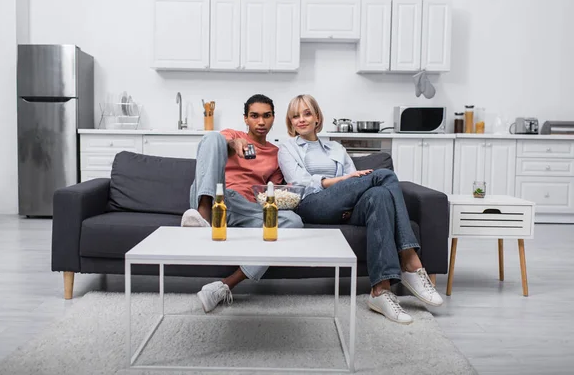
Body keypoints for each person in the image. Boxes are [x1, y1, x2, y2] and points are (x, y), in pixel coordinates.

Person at [277, 94, 443, 324]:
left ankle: (380, 291)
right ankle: (410, 260)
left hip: (346, 205)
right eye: (295, 116)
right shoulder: (287, 149)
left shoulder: (335, 147)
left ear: (317, 117)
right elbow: (299, 183)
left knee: (379, 194)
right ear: (290, 122)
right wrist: (342, 182)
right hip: (313, 204)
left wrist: (348, 191)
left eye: (307, 113)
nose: (301, 119)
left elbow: (358, 183)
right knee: (384, 175)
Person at [181, 94, 303, 313]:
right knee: (212, 138)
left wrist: (291, 189)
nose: (261, 122)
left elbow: (270, 195)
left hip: (246, 210)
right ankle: (203, 216)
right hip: (217, 196)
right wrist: (234, 144)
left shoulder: (277, 154)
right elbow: (217, 146)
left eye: (266, 116)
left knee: (294, 222)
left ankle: (224, 285)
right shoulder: (232, 135)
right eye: (254, 116)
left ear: (274, 118)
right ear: (246, 119)